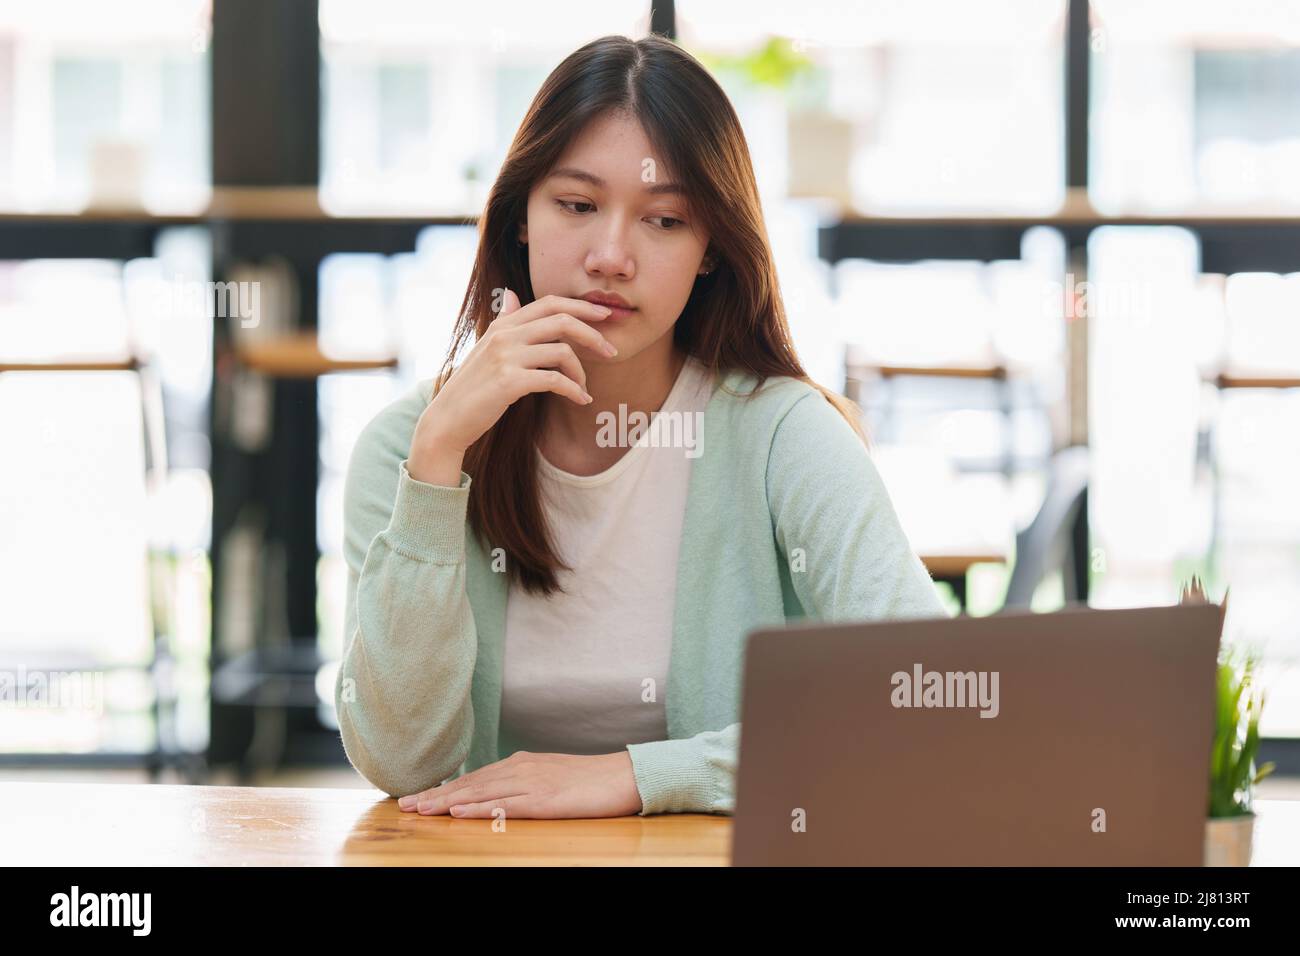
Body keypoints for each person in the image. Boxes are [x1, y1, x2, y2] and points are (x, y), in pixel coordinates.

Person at [335, 33, 948, 819]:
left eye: (664, 220)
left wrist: (639, 776)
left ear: (710, 252)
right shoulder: (410, 447)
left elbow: (925, 699)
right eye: (578, 205)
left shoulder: (780, 435)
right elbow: (402, 762)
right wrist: (436, 467)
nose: (612, 256)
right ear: (520, 218)